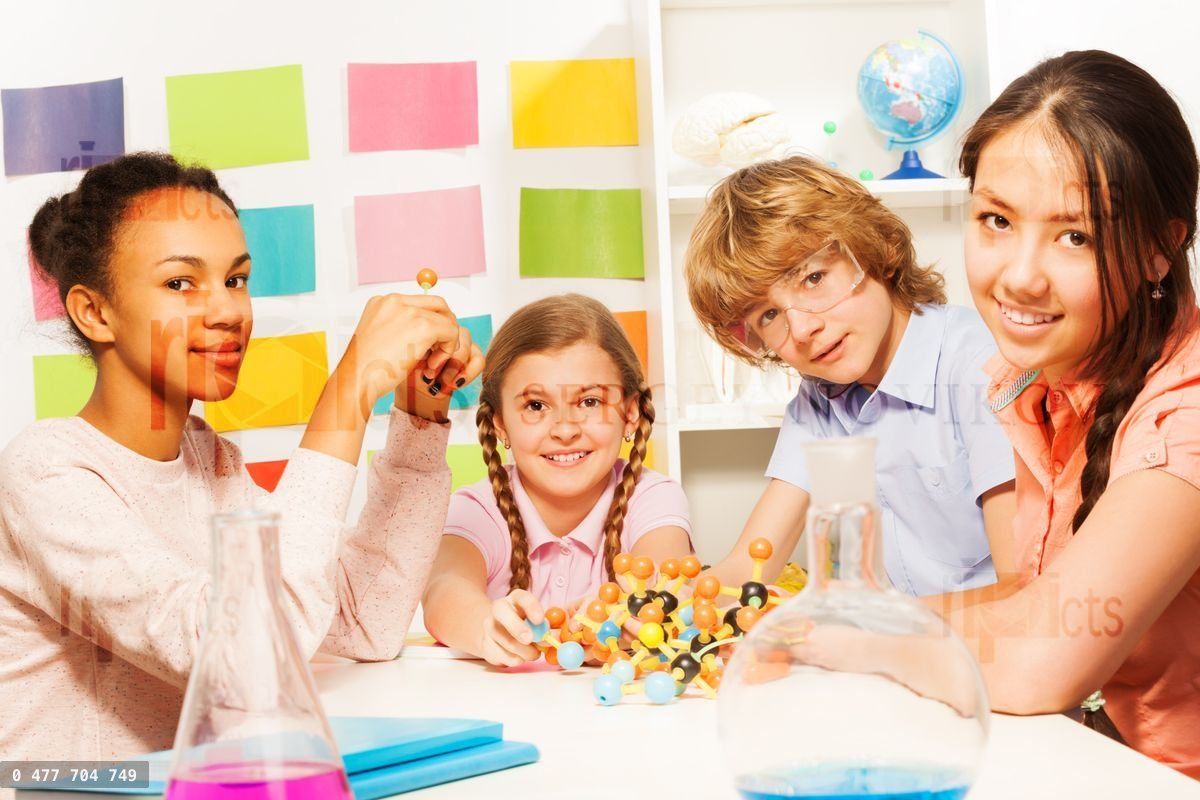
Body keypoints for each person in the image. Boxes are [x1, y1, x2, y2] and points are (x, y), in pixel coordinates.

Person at [0, 152, 483, 762]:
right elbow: (243, 662)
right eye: (181, 283)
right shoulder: (46, 474)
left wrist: (421, 413)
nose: (229, 311)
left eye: (235, 279)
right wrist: (349, 390)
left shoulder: (208, 462)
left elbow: (369, 620)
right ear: (95, 312)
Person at [930, 50, 1200, 778]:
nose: (1019, 274)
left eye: (1074, 234)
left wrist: (840, 639)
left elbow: (1036, 660)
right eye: (995, 220)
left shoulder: (1185, 423)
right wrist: (859, 616)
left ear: (1158, 248)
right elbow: (1041, 601)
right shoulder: (1037, 380)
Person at [686, 156, 1016, 596]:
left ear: (879, 249)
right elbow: (750, 566)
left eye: (814, 278)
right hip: (898, 649)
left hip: (991, 650)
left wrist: (862, 630)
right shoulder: (818, 400)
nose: (802, 330)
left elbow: (1022, 588)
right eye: (768, 315)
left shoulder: (978, 364)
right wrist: (664, 609)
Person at [421, 294, 693, 666]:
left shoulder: (653, 498)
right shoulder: (477, 510)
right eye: (536, 406)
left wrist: (629, 614)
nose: (565, 430)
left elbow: (664, 582)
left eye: (590, 402)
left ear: (630, 413)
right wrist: (485, 626)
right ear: (501, 422)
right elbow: (443, 590)